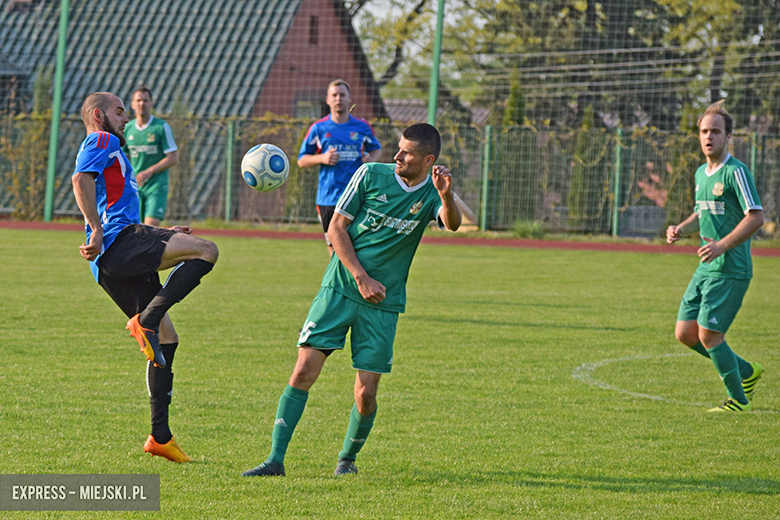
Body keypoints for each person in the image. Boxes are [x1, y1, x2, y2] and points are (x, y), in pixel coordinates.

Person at [243, 123, 462, 477]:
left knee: (366, 393)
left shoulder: (434, 190)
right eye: (398, 148)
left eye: (406, 153)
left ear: (428, 160)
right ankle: (275, 460)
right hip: (341, 288)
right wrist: (361, 277)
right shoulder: (370, 174)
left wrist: (447, 195)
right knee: (302, 371)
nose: (397, 156)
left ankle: (347, 461)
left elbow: (452, 224)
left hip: (383, 304)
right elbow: (336, 228)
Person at [72, 92, 219, 461]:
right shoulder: (101, 138)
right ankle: (147, 319)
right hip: (118, 244)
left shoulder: (115, 152)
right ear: (97, 114)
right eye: (118, 111)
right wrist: (94, 228)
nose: (124, 117)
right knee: (207, 251)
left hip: (112, 259)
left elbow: (115, 206)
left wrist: (163, 231)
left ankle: (160, 437)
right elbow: (79, 179)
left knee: (167, 339)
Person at [666, 100, 764, 412]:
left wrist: (723, 244)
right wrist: (681, 229)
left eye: (716, 132)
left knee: (709, 334)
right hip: (707, 267)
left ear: (728, 137)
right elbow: (701, 212)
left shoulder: (737, 172)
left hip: (731, 267)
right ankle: (746, 371)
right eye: (704, 131)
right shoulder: (700, 174)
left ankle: (739, 400)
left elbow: (756, 217)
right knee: (685, 333)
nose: (709, 137)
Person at [298, 79, 382, 256]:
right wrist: (322, 157)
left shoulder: (362, 127)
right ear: (328, 99)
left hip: (356, 196)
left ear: (349, 98)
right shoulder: (318, 128)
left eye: (342, 95)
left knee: (358, 247)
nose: (338, 99)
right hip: (329, 198)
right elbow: (302, 160)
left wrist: (369, 160)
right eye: (334, 95)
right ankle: (337, 283)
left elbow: (376, 149)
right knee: (335, 249)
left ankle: (355, 282)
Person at [123, 86, 179, 227]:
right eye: (139, 100)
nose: (142, 104)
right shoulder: (128, 128)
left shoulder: (161, 127)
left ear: (152, 104)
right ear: (133, 104)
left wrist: (150, 171)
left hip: (156, 185)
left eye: (146, 100)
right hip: (136, 186)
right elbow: (122, 156)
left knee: (150, 228)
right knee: (135, 228)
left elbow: (173, 157)